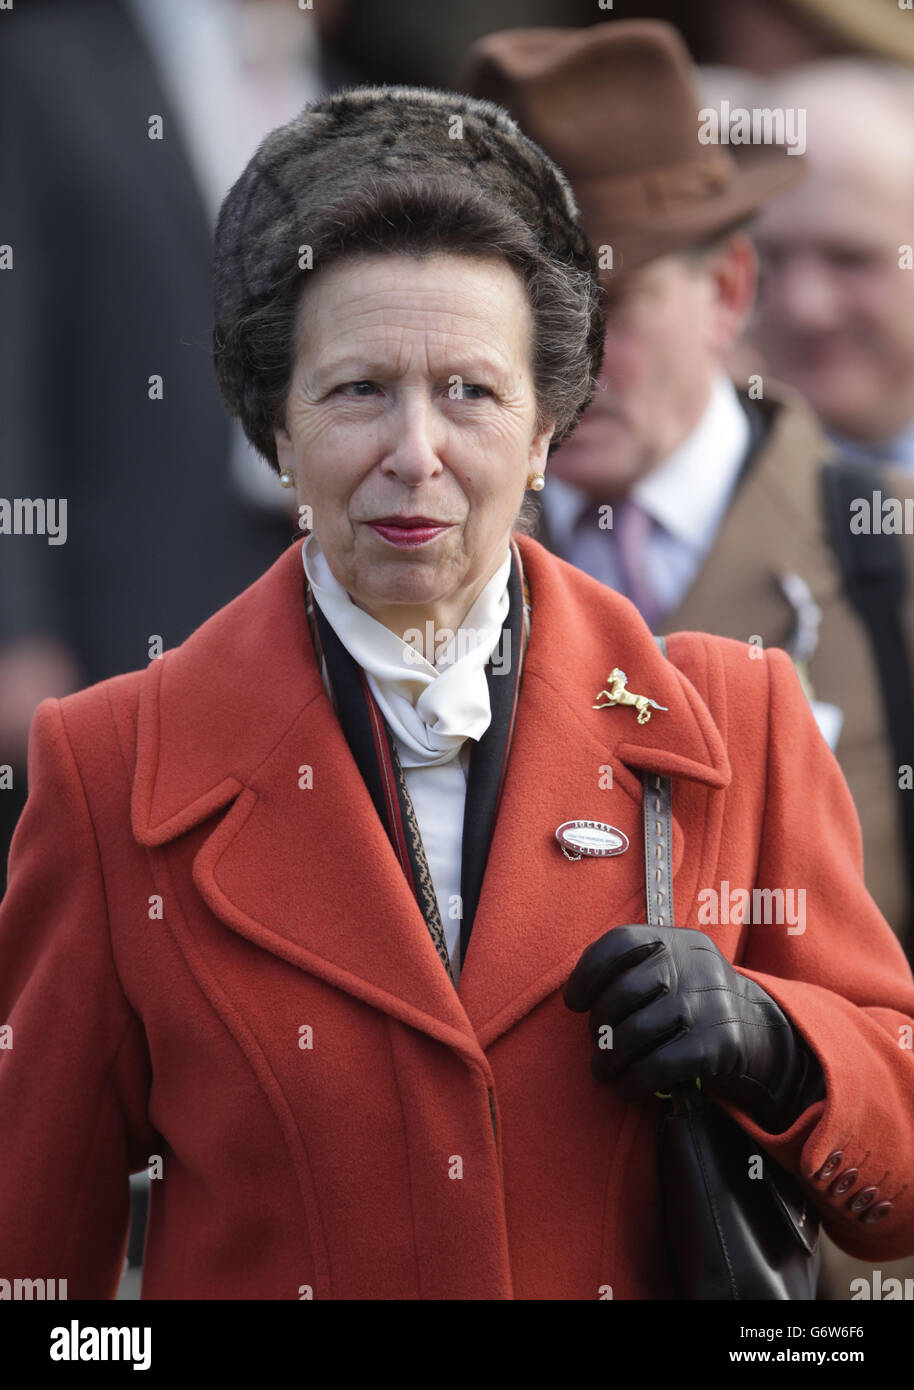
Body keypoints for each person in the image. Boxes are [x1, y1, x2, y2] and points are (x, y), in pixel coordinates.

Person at [2, 85, 914, 1301]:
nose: (414, 453)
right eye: (356, 390)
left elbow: (898, 1175)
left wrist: (776, 1041)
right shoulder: (110, 765)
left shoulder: (734, 718)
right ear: (274, 428)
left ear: (546, 430)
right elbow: (34, 1276)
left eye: (470, 393)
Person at [460, 20, 914, 960]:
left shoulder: (887, 556)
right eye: (521, 316)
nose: (562, 368)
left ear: (728, 292)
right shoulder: (429, 563)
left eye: (609, 313)